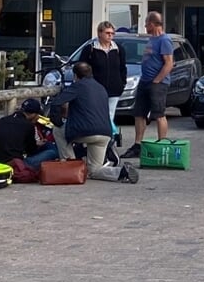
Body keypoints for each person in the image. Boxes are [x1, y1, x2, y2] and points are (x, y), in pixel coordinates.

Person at [50, 62, 124, 180]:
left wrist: (57, 121)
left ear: (75, 76)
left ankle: (71, 165)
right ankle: (121, 172)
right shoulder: (101, 88)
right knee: (94, 171)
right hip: (105, 133)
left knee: (58, 130)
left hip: (85, 131)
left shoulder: (77, 86)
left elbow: (56, 103)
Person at [131, 12, 173, 146]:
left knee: (159, 114)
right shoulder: (151, 39)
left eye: (146, 24)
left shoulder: (164, 40)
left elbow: (169, 63)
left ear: (152, 24)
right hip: (145, 81)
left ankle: (162, 144)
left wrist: (157, 80)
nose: (144, 26)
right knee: (139, 113)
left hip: (158, 84)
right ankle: (138, 144)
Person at [80, 22, 129, 139]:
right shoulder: (90, 49)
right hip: (95, 89)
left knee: (109, 115)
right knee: (96, 115)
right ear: (100, 33)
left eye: (112, 33)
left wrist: (122, 84)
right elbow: (81, 68)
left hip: (114, 89)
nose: (110, 36)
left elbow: (122, 68)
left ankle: (108, 139)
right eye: (107, 33)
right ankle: (98, 137)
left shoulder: (118, 49)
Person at [0, 98, 60, 168]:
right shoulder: (28, 126)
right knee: (52, 151)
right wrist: (35, 144)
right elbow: (31, 151)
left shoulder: (2, 120)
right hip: (13, 165)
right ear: (34, 114)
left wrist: (36, 143)